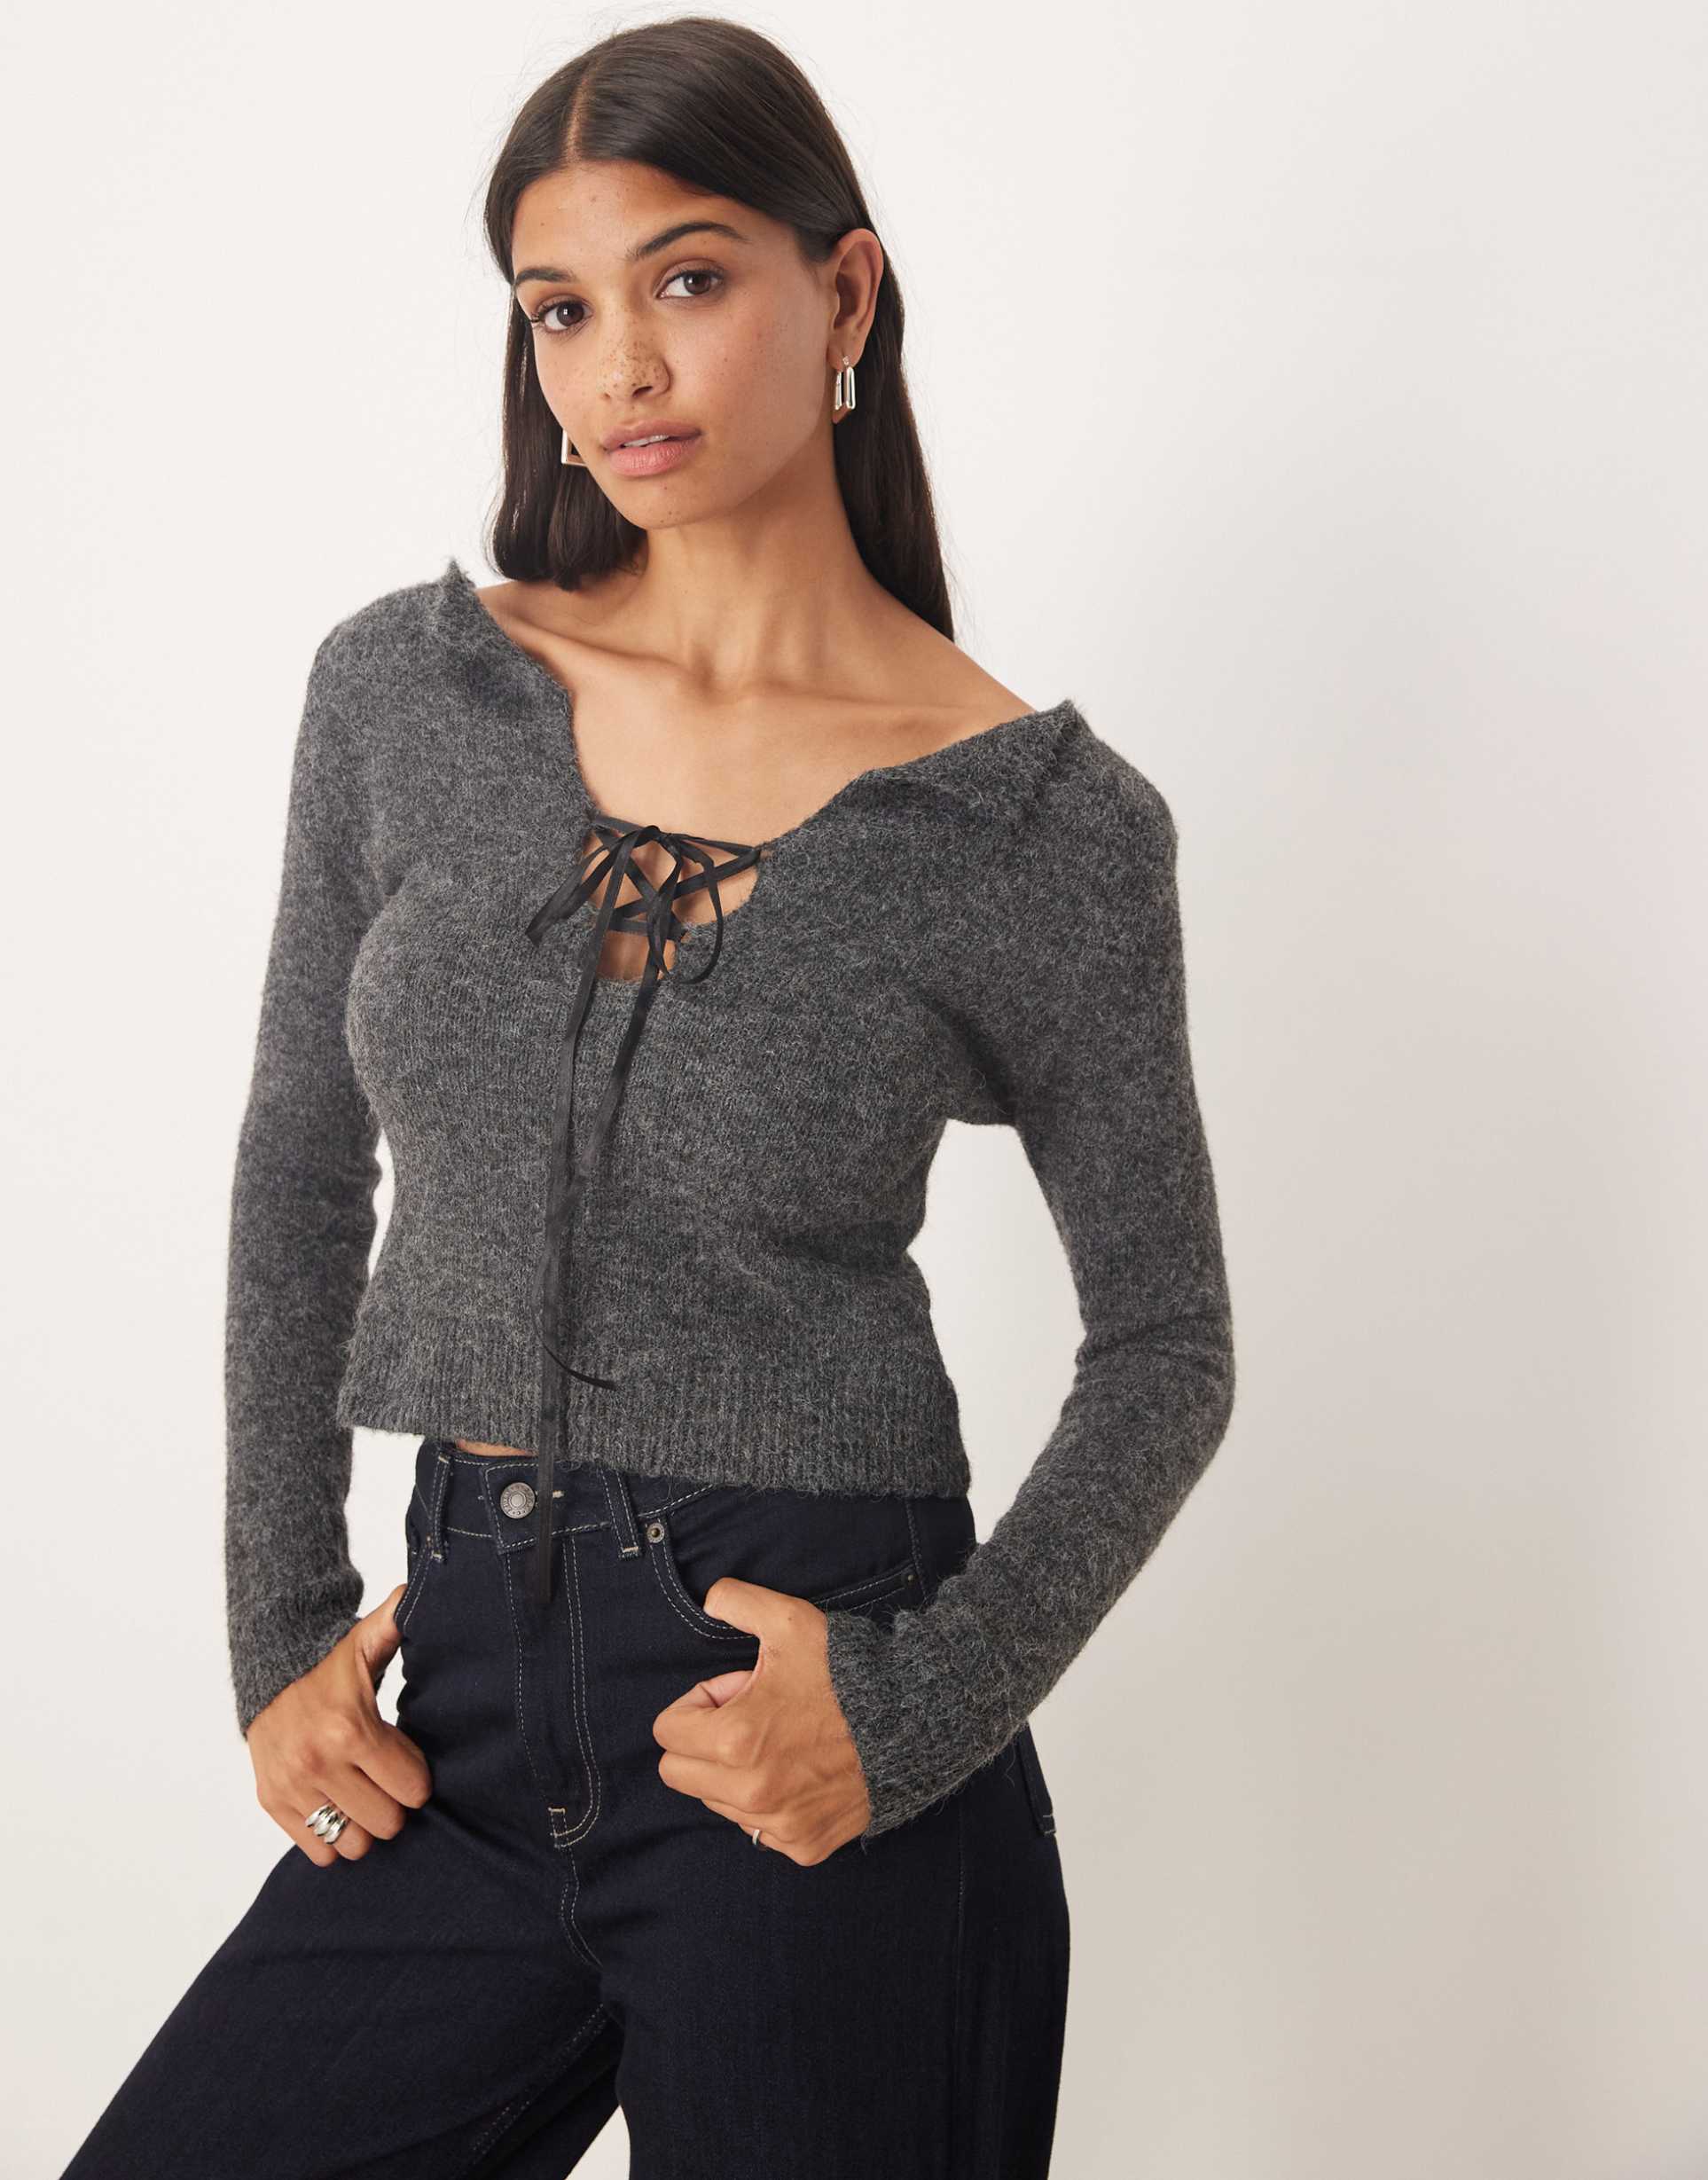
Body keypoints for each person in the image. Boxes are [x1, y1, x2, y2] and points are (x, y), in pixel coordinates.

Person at [62, 16, 1235, 2177]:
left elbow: (1167, 1342)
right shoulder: (408, 692)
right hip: (459, 1711)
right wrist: (279, 1627)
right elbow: (304, 1161)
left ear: (845, 293)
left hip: (804, 1706)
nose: (619, 369)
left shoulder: (1041, 825)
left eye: (686, 280)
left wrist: (920, 1708)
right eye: (560, 309)